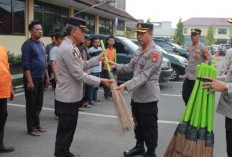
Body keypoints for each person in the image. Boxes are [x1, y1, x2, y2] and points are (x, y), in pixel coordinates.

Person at [54, 17, 111, 157]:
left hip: (71, 97)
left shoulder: (73, 48)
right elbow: (79, 75)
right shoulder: (68, 49)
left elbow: (81, 65)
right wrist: (101, 80)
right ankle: (62, 153)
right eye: (83, 31)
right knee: (66, 130)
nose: (85, 35)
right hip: (67, 98)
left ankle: (64, 152)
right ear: (74, 31)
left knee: (68, 129)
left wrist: (97, 59)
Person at [109, 23, 163, 157]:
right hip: (137, 95)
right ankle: (140, 146)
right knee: (137, 124)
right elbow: (130, 66)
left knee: (149, 126)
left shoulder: (155, 53)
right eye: (137, 33)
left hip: (148, 97)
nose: (138, 36)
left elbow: (144, 76)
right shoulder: (140, 50)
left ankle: (151, 151)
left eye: (142, 34)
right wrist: (116, 66)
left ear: (150, 34)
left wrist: (125, 85)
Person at [203, 18, 232, 157]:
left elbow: (227, 84)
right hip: (230, 111)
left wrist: (226, 86)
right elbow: (228, 77)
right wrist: (216, 80)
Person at [21, 20, 49, 136]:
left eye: (41, 29)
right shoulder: (27, 45)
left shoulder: (42, 44)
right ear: (31, 31)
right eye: (37, 29)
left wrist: (47, 78)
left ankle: (37, 125)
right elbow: (25, 64)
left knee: (38, 104)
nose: (40, 31)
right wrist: (29, 81)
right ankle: (31, 128)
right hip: (32, 79)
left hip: (41, 78)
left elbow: (44, 63)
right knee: (31, 104)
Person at [182, 29, 212, 105]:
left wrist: (206, 73)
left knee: (194, 97)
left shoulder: (203, 47)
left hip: (196, 77)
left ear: (199, 36)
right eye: (192, 35)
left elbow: (210, 60)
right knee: (185, 94)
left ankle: (192, 114)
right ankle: (188, 110)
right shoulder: (189, 47)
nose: (193, 37)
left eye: (195, 35)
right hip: (188, 76)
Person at [0, 21, 15, 153]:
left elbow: (7, 70)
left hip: (3, 91)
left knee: (2, 118)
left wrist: (10, 89)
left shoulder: (2, 49)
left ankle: (0, 145)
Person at [49, 30, 65, 119]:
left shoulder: (65, 48)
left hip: (64, 76)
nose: (63, 40)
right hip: (58, 76)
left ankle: (62, 112)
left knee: (64, 95)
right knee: (58, 95)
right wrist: (55, 76)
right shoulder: (54, 49)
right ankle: (57, 113)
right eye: (61, 39)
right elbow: (53, 63)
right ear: (57, 39)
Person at [78, 35, 92, 110]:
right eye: (88, 40)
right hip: (83, 72)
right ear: (84, 40)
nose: (89, 41)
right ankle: (79, 104)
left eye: (90, 40)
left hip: (88, 71)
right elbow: (82, 62)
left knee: (86, 89)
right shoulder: (80, 49)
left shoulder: (87, 49)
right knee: (81, 89)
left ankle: (84, 102)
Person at [88, 38, 102, 105]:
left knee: (97, 84)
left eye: (98, 42)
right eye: (96, 42)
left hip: (99, 69)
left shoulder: (101, 49)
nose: (97, 44)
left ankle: (95, 97)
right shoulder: (91, 50)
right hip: (93, 70)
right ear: (92, 43)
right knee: (92, 85)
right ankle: (90, 99)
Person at [102, 35, 117, 99]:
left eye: (112, 41)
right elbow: (103, 58)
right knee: (107, 81)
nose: (111, 42)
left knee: (113, 81)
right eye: (110, 41)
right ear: (108, 41)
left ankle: (112, 93)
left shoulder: (114, 50)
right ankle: (106, 94)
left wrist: (115, 66)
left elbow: (115, 58)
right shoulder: (105, 50)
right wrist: (104, 63)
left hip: (112, 68)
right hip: (106, 68)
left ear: (114, 42)